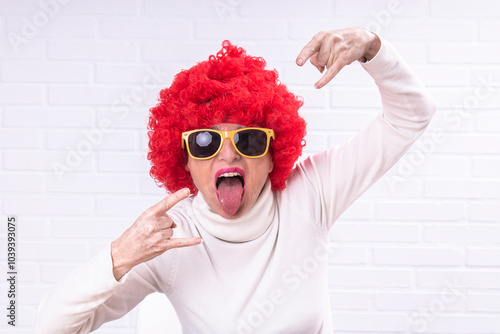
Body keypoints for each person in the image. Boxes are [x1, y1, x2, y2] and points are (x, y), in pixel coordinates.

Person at [34, 27, 436, 333]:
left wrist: (372, 47)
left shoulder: (310, 195)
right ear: (184, 160)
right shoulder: (171, 242)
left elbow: (412, 115)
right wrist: (118, 256)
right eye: (205, 141)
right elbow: (50, 327)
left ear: (273, 150)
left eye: (248, 138)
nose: (229, 154)